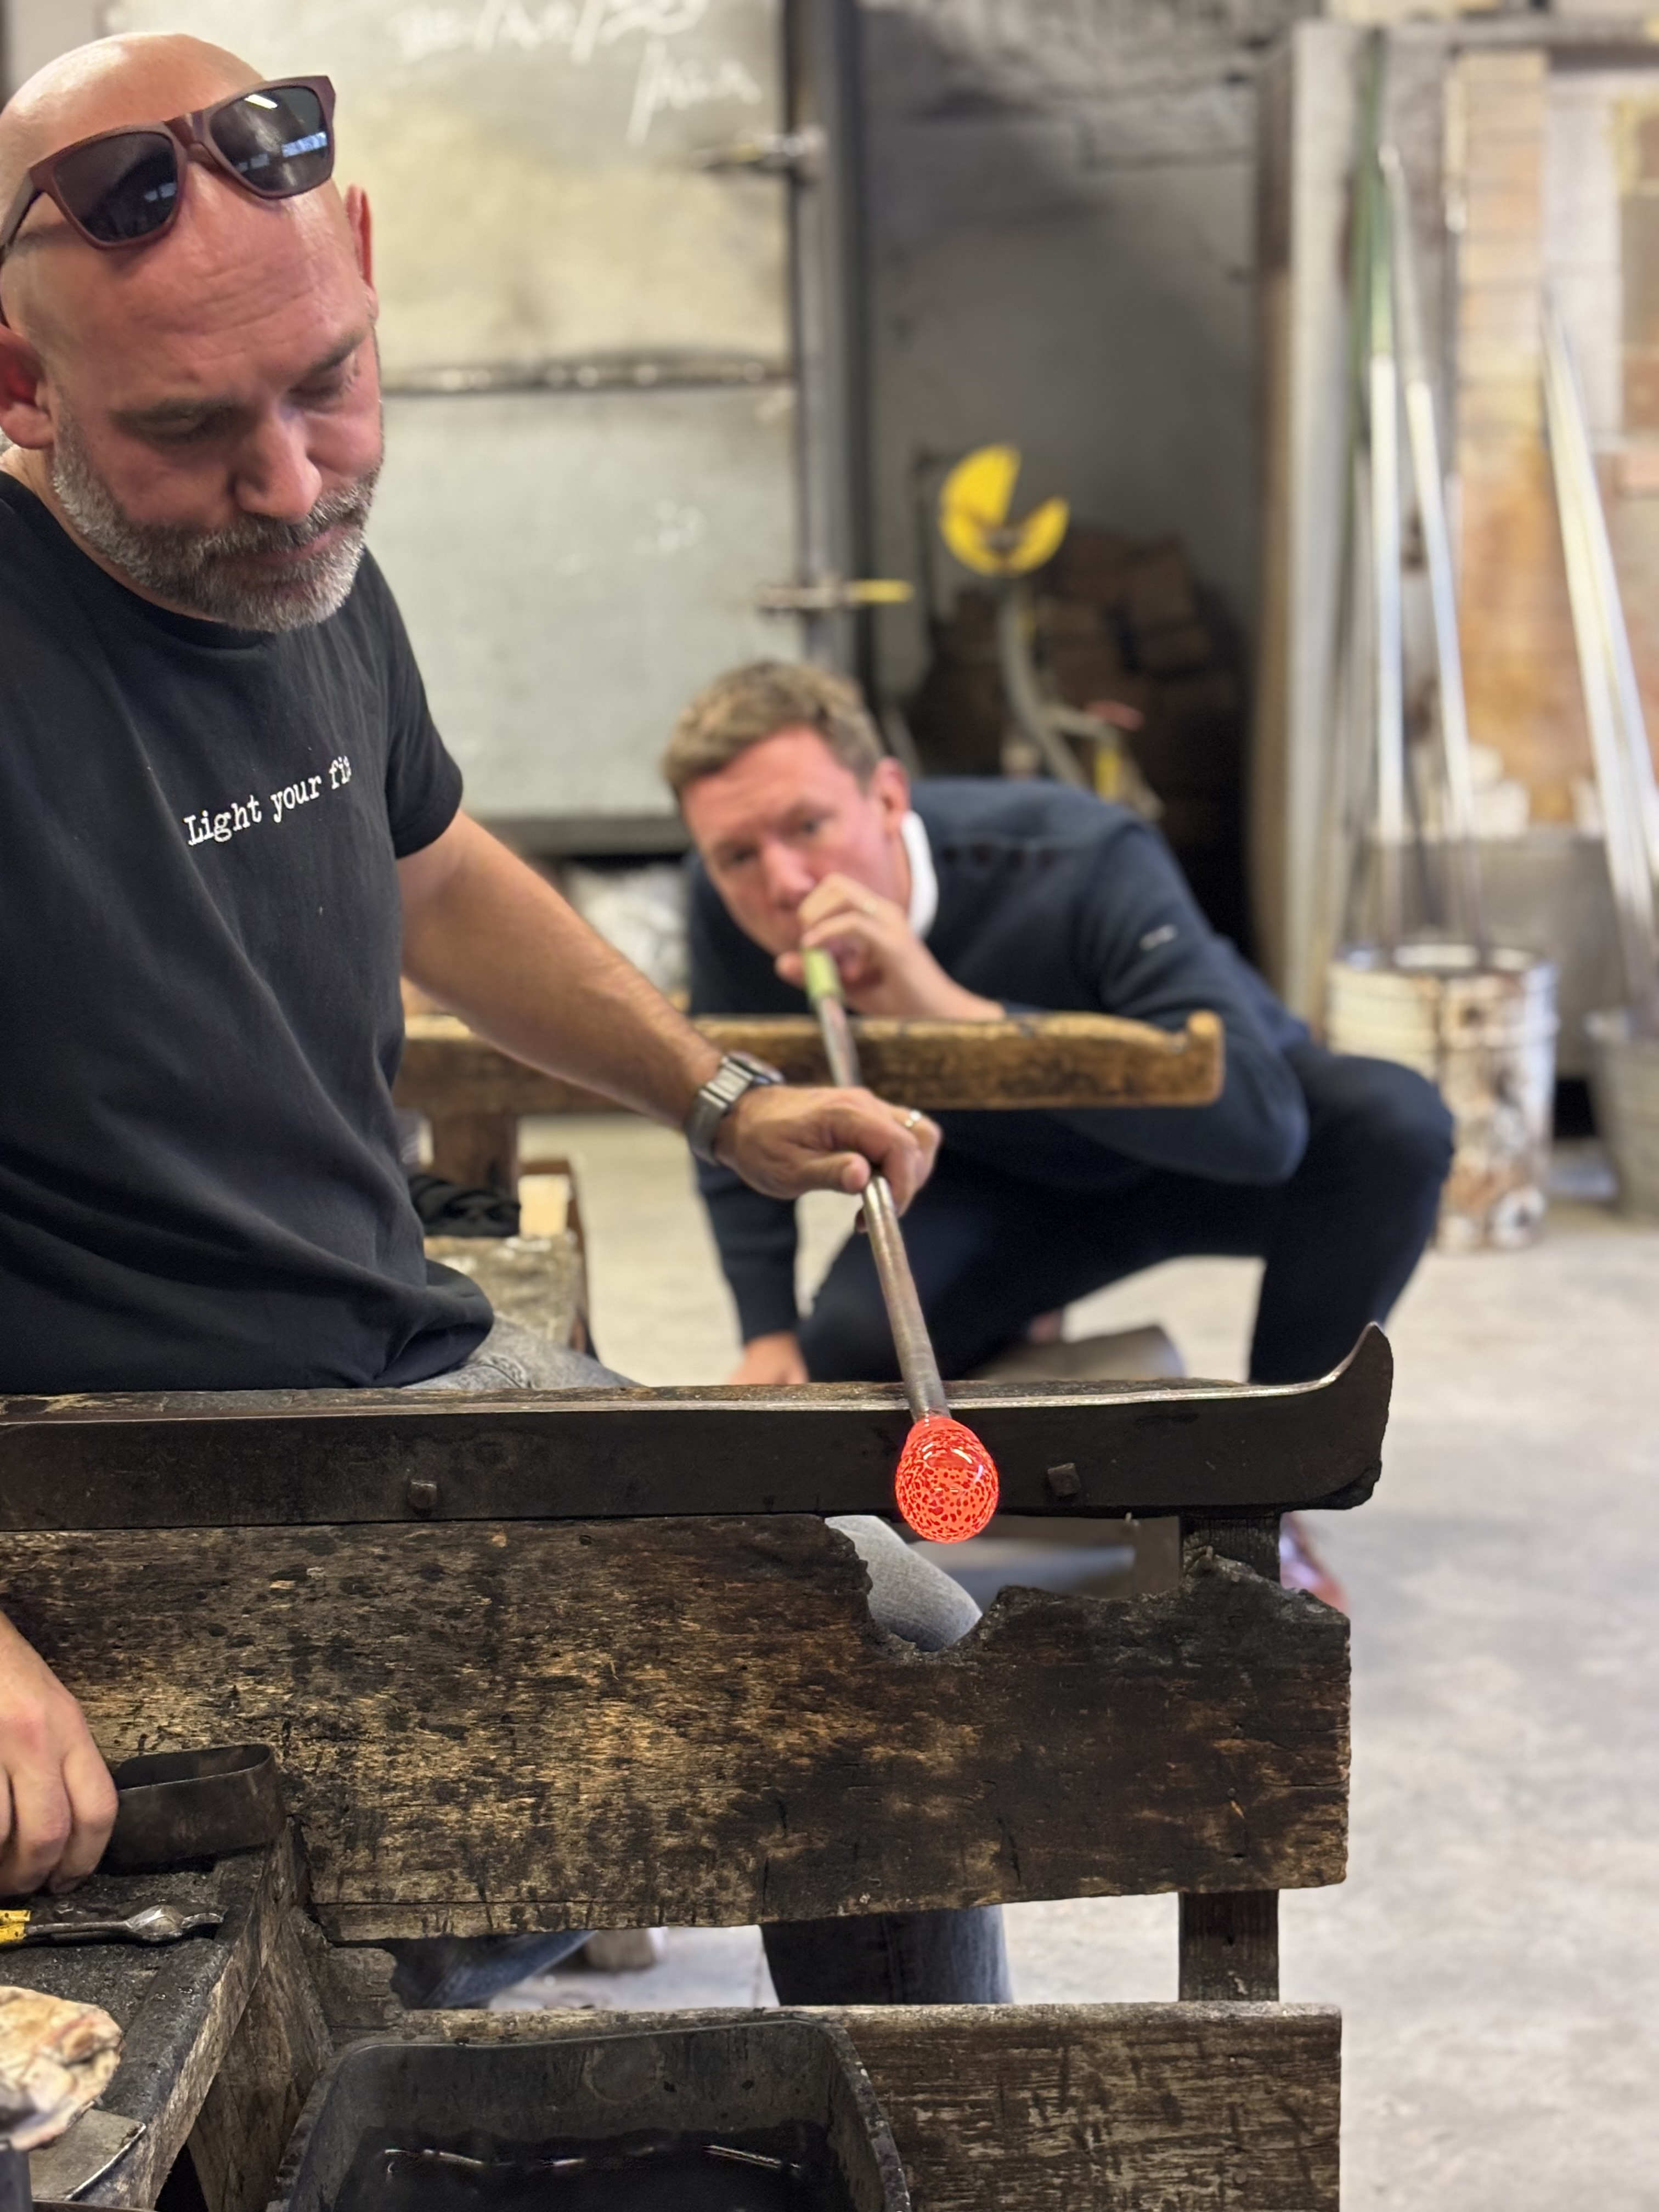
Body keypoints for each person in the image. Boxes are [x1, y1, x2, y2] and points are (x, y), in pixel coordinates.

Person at [0, 35, 1009, 2012]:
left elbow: (430, 865)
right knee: (840, 1697)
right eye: (191, 425)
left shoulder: (305, 572)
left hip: (397, 1382)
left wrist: (718, 1095)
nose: (290, 483)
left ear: (361, 258)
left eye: (331, 384)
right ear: (21, 383)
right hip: (146, 1493)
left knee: (907, 1640)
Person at [669, 661, 1455, 1578]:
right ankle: (1030, 1344)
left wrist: (953, 1016)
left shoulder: (1080, 855)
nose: (787, 882)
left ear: (887, 797)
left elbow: (1262, 1131)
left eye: (810, 825)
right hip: (995, 1176)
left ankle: (1263, 1490)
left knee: (1393, 1125)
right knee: (844, 1359)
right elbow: (738, 1109)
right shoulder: (729, 907)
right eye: (737, 856)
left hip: (1197, 1156)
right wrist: (765, 1330)